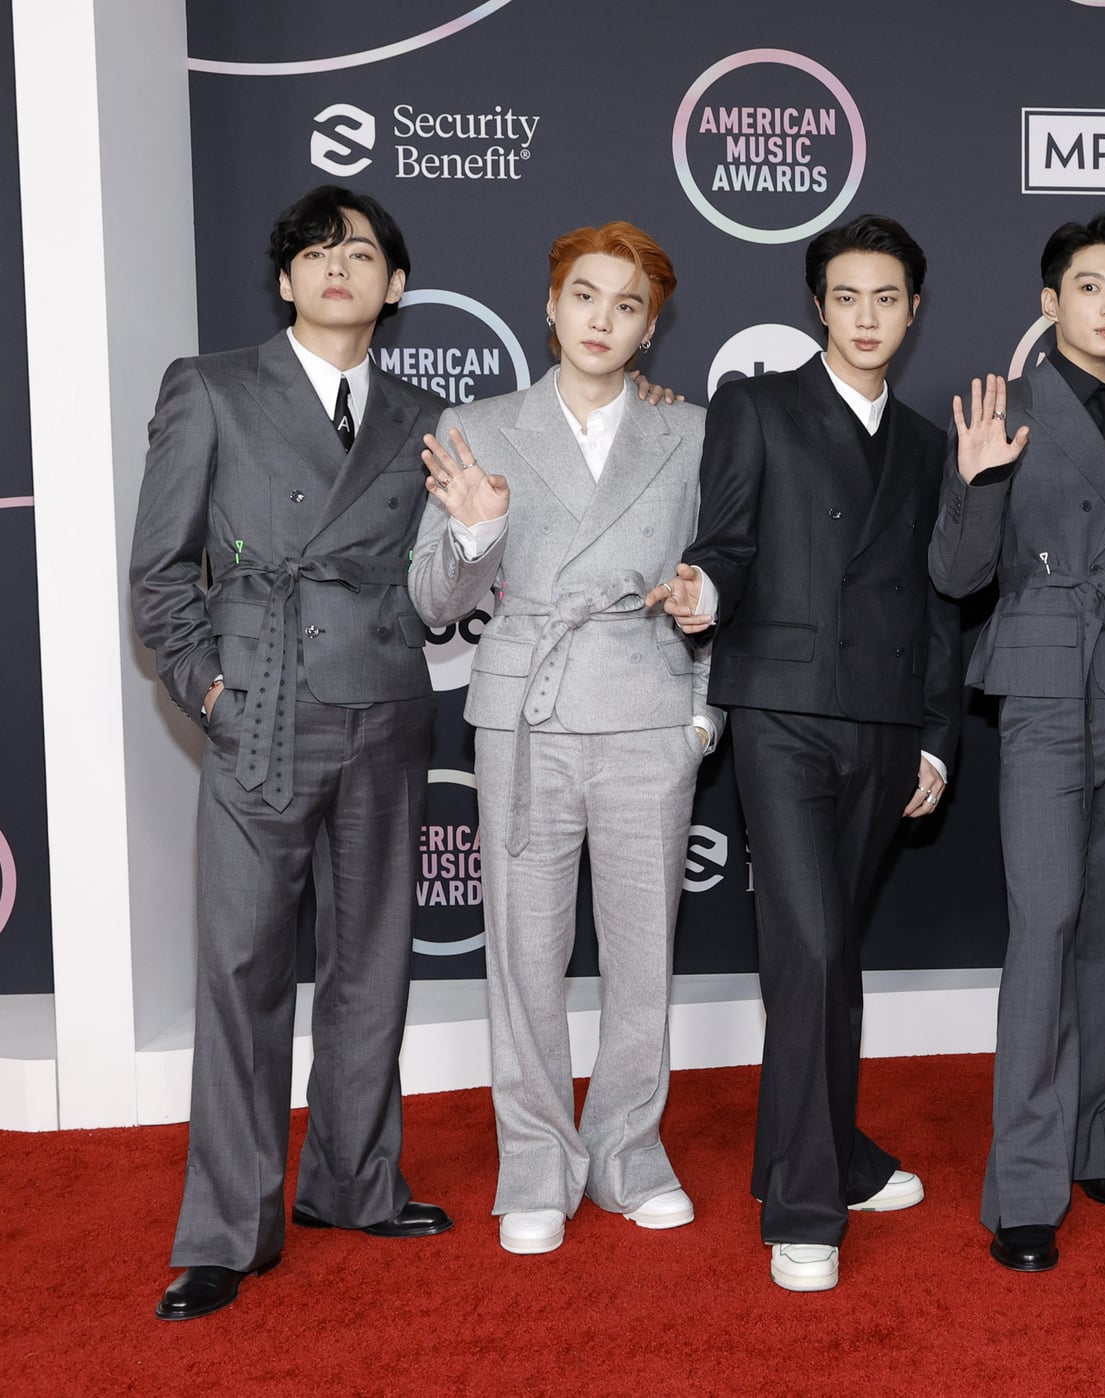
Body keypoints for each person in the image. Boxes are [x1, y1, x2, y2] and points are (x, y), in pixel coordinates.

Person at [129, 185, 452, 1321]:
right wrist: (208, 687)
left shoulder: (423, 416)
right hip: (258, 712)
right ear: (284, 281)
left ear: (392, 287)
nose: (335, 266)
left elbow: (443, 573)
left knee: (373, 963)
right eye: (314, 251)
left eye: (359, 252)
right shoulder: (210, 386)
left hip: (383, 709)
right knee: (241, 972)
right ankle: (226, 1229)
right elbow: (162, 574)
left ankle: (354, 1183)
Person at [660, 215, 962, 1293]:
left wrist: (935, 735)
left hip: (886, 723)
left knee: (824, 957)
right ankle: (802, 1204)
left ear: (912, 310)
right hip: (782, 709)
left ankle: (828, 1151)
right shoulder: (756, 405)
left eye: (887, 297)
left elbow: (937, 609)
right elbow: (724, 541)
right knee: (813, 948)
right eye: (847, 297)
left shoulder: (930, 447)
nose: (867, 316)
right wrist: (701, 592)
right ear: (817, 307)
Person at [408, 221, 719, 1256]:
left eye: (627, 305)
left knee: (642, 958)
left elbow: (727, 581)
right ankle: (535, 1160)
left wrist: (699, 713)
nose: (602, 319)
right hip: (524, 714)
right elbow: (429, 595)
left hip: (645, 712)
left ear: (651, 328)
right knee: (525, 956)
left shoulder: (691, 433)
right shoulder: (479, 423)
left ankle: (630, 1151)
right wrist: (476, 533)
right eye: (585, 296)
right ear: (549, 306)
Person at [929, 213, 1105, 1274]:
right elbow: (951, 576)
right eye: (1088, 286)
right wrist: (981, 482)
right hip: (1041, 681)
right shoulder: (1006, 409)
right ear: (1050, 303)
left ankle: (1094, 1136)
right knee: (1045, 922)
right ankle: (1023, 1181)